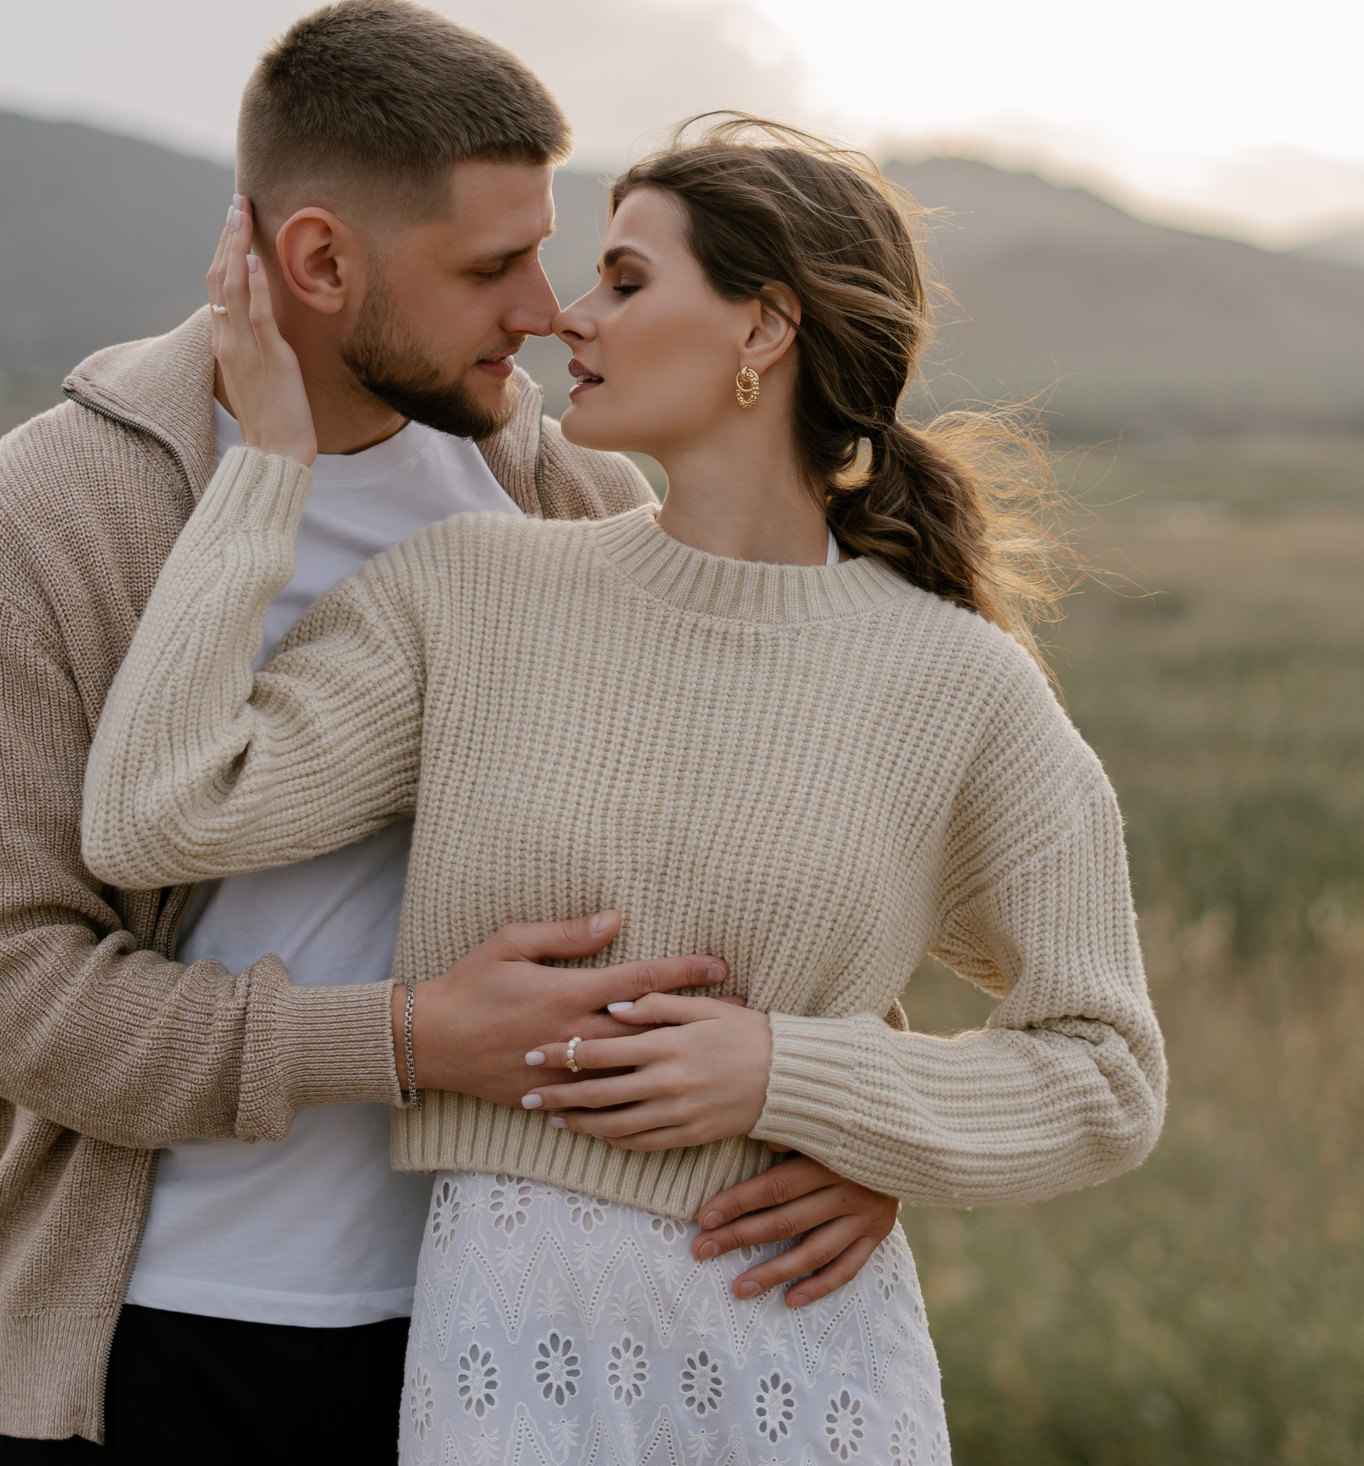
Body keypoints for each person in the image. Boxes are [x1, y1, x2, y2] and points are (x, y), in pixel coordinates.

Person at [0, 0, 901, 1462]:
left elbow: (771, 850)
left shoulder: (570, 498)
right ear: (319, 262)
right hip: (159, 1347)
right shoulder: (31, 527)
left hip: (520, 1340)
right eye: (491, 268)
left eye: (549, 254)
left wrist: (858, 1115)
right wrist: (405, 1041)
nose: (545, 310)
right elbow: (16, 1000)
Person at [82, 115, 1169, 1464]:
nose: (568, 318)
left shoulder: (958, 682)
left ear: (763, 328)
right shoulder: (476, 596)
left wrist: (805, 1081)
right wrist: (265, 468)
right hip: (510, 1363)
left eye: (627, 280)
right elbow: (159, 811)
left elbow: (1106, 1071)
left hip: (804, 1366)